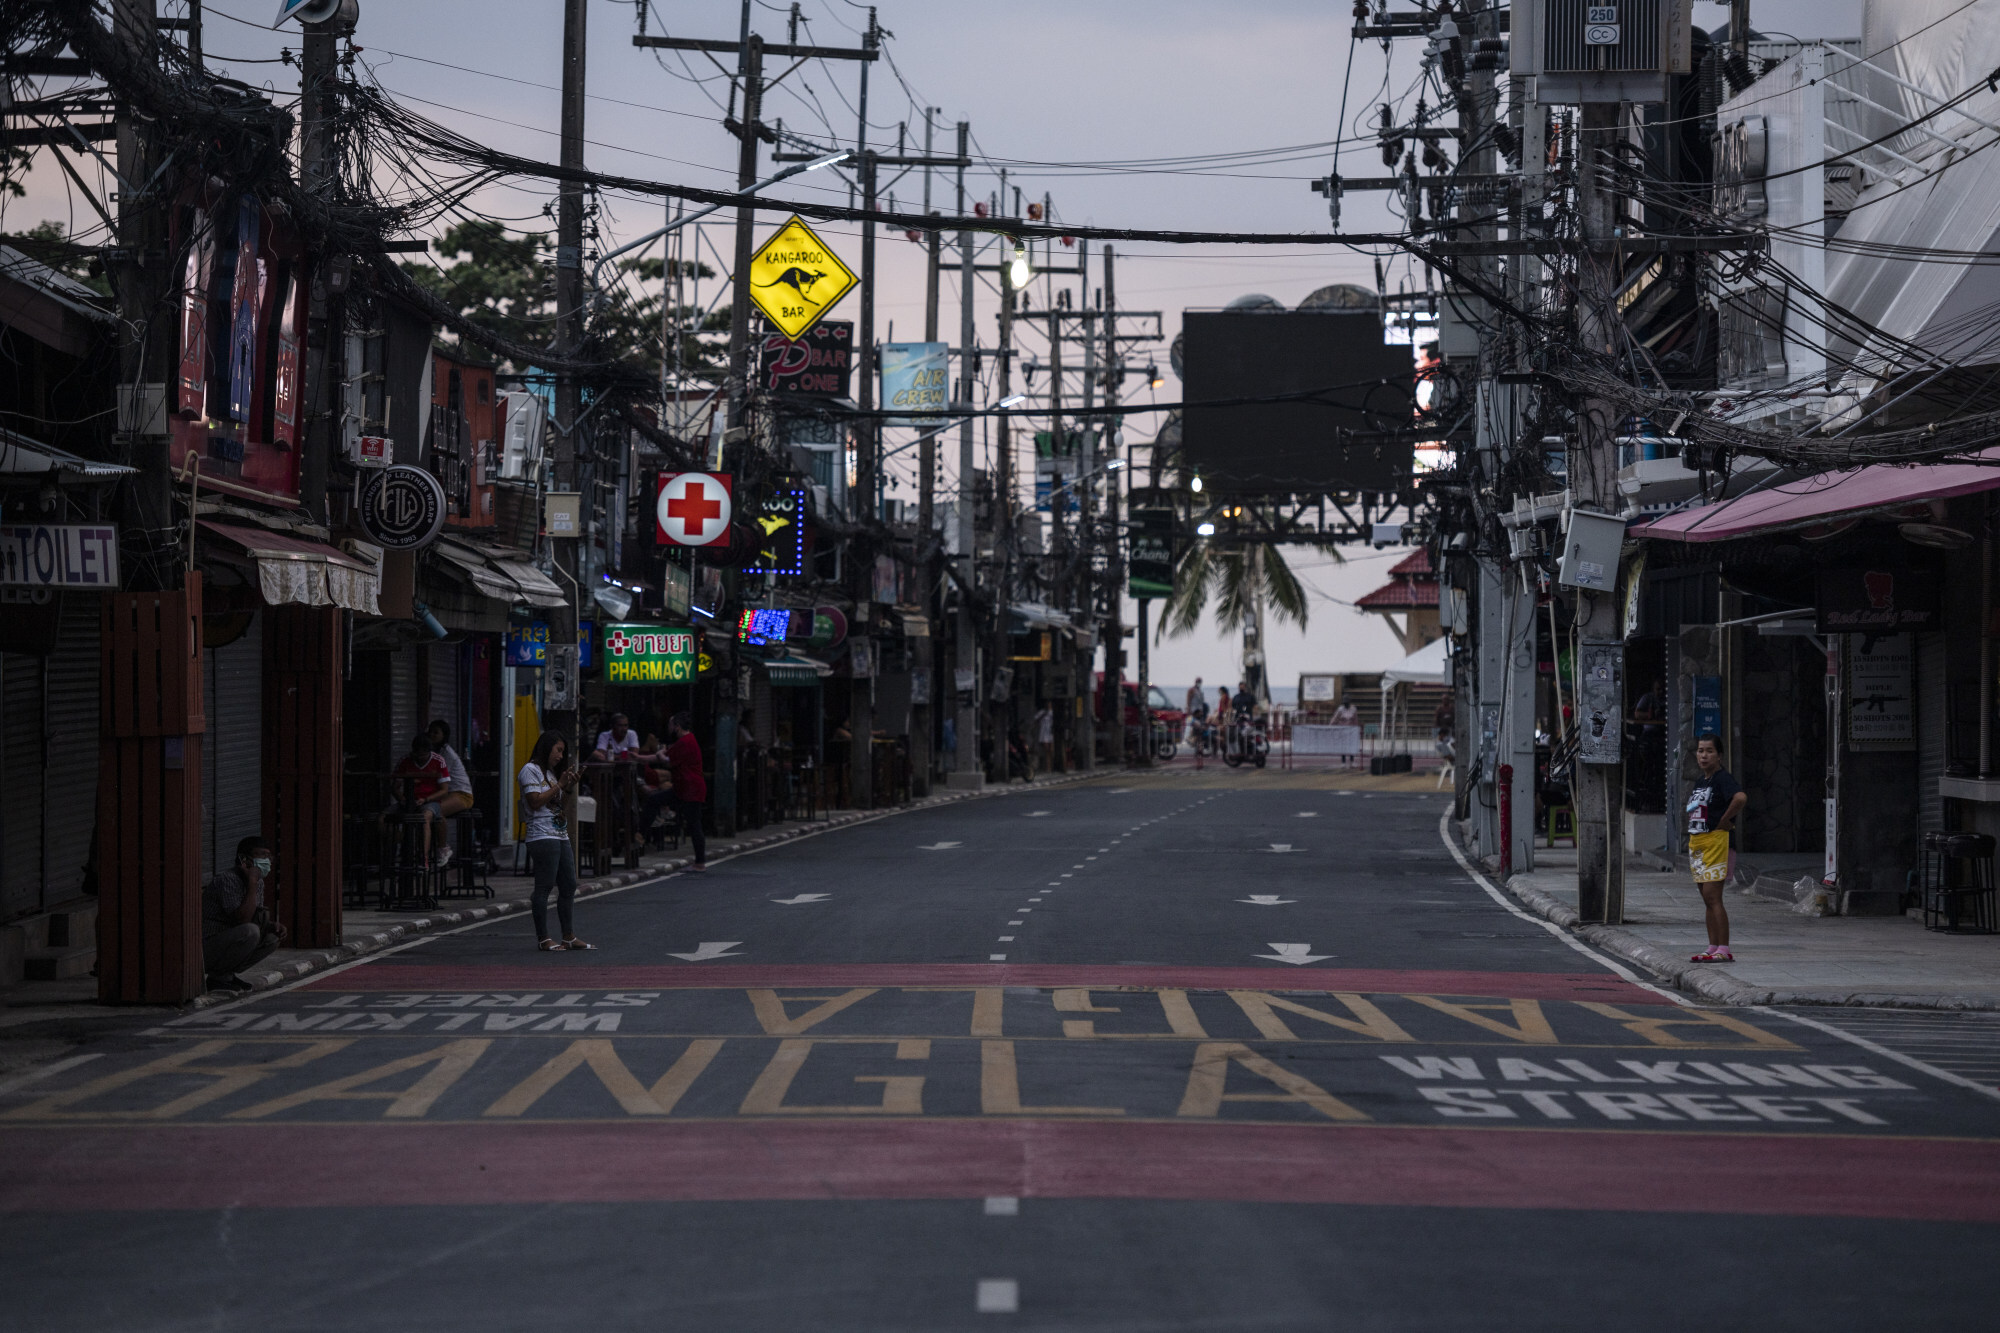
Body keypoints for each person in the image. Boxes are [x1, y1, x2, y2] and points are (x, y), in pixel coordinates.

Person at [518, 731, 593, 952]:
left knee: (569, 884)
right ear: (546, 747)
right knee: (544, 886)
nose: (561, 756)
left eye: (562, 752)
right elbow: (534, 803)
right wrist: (560, 785)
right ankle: (544, 939)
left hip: (559, 833)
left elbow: (558, 806)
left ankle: (568, 936)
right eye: (558, 750)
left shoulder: (550, 775)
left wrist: (568, 786)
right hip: (541, 835)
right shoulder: (529, 770)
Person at [1686, 733, 1747, 963]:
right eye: (1700, 751)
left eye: (1709, 751)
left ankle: (1724, 948)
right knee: (1706, 897)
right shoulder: (1701, 781)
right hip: (1699, 843)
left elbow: (1740, 798)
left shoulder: (1723, 778)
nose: (1703, 755)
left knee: (1713, 896)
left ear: (1719, 755)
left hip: (1716, 842)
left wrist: (1725, 819)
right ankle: (1712, 946)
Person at [202, 835, 286, 992]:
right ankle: (218, 978)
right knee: (250, 932)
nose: (266, 861)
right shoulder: (228, 880)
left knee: (272, 938)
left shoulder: (258, 882)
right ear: (244, 860)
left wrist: (270, 926)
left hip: (228, 943)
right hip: (206, 948)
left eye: (269, 856)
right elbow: (243, 919)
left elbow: (253, 916)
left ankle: (225, 976)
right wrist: (252, 883)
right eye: (261, 855)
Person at [390, 734, 452, 868]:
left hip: (430, 801)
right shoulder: (405, 760)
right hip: (408, 801)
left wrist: (426, 799)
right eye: (417, 755)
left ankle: (422, 859)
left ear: (429, 752)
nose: (420, 759)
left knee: (425, 818)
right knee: (382, 820)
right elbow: (395, 787)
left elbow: (444, 790)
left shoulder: (439, 760)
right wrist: (403, 800)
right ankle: (408, 846)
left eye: (423, 756)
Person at [426, 719, 475, 869]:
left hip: (461, 794)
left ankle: (443, 849)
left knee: (435, 811)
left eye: (436, 732)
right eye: (431, 732)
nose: (432, 735)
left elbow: (436, 776)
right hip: (446, 794)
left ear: (444, 735)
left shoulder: (446, 754)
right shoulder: (432, 751)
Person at [665, 711, 708, 871]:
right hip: (683, 788)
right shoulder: (685, 740)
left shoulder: (685, 741)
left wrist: (651, 757)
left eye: (671, 725)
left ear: (677, 726)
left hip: (691, 789)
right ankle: (640, 835)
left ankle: (700, 862)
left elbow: (667, 760)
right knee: (655, 799)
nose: (668, 728)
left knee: (694, 824)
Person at [1034, 703, 1054, 774]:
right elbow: (1035, 719)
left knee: (1051, 751)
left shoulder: (1052, 712)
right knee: (1046, 751)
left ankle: (1050, 767)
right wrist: (1043, 715)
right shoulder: (1042, 712)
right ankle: (1047, 767)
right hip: (1044, 734)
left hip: (1051, 733)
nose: (1049, 705)